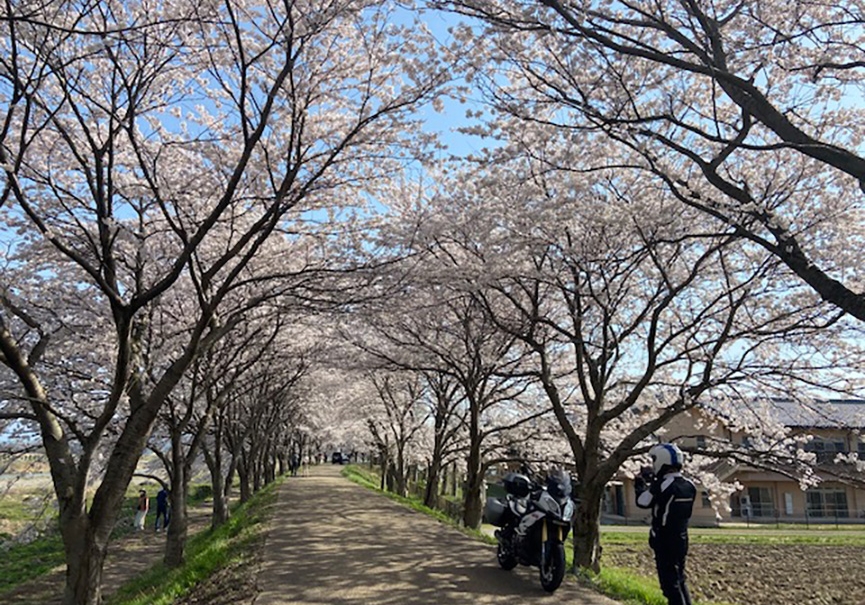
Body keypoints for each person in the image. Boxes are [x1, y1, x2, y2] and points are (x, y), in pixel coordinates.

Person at [635, 443, 697, 605]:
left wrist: (640, 486)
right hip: (682, 537)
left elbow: (643, 502)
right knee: (680, 579)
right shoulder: (690, 485)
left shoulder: (662, 484)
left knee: (669, 585)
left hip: (664, 539)